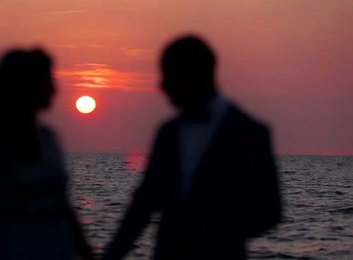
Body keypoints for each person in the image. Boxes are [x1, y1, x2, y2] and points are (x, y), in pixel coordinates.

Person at [102, 35, 282, 260]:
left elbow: (270, 210)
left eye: (171, 74)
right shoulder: (168, 132)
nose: (163, 85)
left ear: (199, 72)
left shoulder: (250, 133)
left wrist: (218, 237)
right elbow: (143, 204)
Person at [0, 49, 93, 260]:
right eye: (47, 80)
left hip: (58, 247)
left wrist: (85, 250)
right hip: (13, 248)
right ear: (26, 86)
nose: (54, 89)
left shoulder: (49, 139)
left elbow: (63, 205)